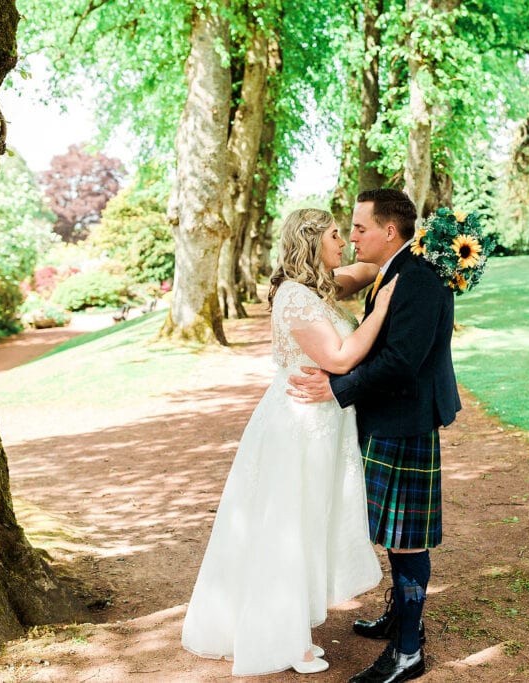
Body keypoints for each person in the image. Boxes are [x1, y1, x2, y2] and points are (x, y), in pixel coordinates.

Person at [181, 208, 398, 676]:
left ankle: (291, 627)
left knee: (307, 523)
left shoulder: (319, 287)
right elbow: (339, 358)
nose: (345, 242)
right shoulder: (296, 296)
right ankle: (282, 640)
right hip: (298, 427)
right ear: (312, 241)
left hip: (321, 426)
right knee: (288, 527)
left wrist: (411, 252)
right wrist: (381, 311)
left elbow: (366, 268)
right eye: (337, 235)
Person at [288, 189, 461, 683]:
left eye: (360, 228)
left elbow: (402, 361)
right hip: (389, 418)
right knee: (392, 532)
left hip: (405, 422)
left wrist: (337, 387)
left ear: (389, 230)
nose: (353, 236)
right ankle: (402, 618)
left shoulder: (419, 278)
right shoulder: (397, 269)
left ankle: (409, 651)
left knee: (406, 540)